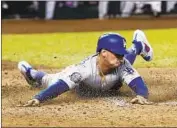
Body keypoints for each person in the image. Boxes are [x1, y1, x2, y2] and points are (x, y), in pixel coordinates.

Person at [18, 29, 153, 107]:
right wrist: (39, 98)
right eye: (117, 53)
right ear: (104, 53)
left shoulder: (121, 63)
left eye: (121, 53)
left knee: (123, 63)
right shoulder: (83, 69)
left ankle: (138, 45)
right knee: (49, 80)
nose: (121, 57)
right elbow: (61, 86)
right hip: (75, 84)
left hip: (110, 84)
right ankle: (33, 74)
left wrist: (142, 95)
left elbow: (138, 84)